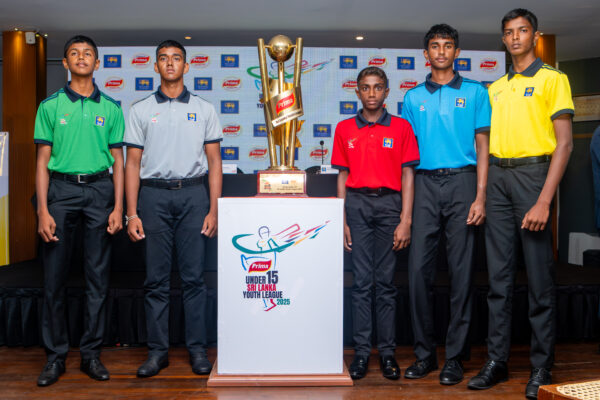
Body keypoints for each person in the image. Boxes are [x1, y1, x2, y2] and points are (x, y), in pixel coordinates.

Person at [466, 9, 574, 400]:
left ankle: (542, 365)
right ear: (503, 39)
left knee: (540, 280)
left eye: (522, 30)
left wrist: (544, 200)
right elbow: (484, 142)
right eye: (509, 32)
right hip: (498, 178)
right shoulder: (495, 88)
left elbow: (565, 144)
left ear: (535, 36)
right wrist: (482, 193)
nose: (515, 37)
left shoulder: (553, 79)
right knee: (498, 281)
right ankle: (497, 361)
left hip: (533, 177)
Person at [124, 40, 222, 377]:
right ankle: (157, 352)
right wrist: (132, 213)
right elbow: (132, 164)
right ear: (155, 66)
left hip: (193, 195)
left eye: (176, 58)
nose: (170, 63)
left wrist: (213, 210)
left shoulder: (204, 108)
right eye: (163, 59)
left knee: (194, 278)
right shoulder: (139, 110)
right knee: (156, 280)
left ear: (186, 66)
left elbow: (214, 162)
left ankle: (197, 350)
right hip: (153, 198)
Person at [402, 23, 490, 385]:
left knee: (461, 272)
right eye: (435, 46)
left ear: (457, 52)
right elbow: (407, 158)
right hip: (424, 183)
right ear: (426, 54)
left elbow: (482, 146)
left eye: (448, 45)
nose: (441, 51)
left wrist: (480, 195)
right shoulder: (412, 98)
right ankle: (424, 354)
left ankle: (454, 357)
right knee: (417, 273)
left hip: (463, 182)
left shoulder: (475, 92)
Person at [34, 35, 125, 386]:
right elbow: (42, 162)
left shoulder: (111, 107)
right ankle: (55, 357)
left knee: (97, 279)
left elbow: (118, 161)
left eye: (88, 53)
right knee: (54, 280)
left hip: (100, 191)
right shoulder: (50, 106)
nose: (81, 57)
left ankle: (91, 355)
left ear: (97, 63)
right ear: (65, 63)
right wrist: (43, 210)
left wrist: (118, 207)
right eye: (74, 53)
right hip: (61, 191)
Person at [331, 66, 419, 380]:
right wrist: (341, 219)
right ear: (357, 92)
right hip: (356, 205)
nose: (372, 93)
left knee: (385, 285)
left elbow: (408, 175)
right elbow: (342, 176)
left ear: (387, 91)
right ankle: (360, 354)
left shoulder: (401, 127)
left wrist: (406, 219)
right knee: (360, 284)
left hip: (389, 206)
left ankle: (388, 354)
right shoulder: (344, 128)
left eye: (377, 87)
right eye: (366, 87)